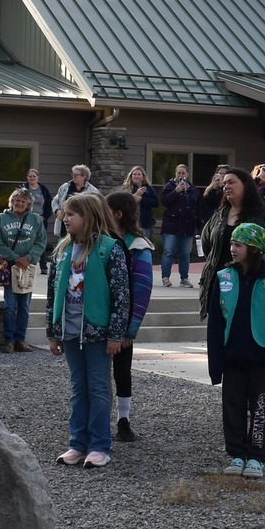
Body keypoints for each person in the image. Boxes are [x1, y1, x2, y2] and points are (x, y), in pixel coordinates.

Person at [48, 191, 130, 469]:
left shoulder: (110, 248)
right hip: (70, 332)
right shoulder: (62, 250)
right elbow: (52, 293)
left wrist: (116, 334)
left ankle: (99, 446)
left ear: (88, 216)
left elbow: (121, 295)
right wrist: (52, 331)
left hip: (97, 334)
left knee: (97, 388)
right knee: (77, 389)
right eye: (65, 213)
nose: (65, 218)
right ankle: (77, 444)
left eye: (71, 214)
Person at [207, 223, 265, 478]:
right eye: (231, 243)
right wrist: (215, 365)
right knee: (233, 408)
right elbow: (215, 325)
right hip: (233, 360)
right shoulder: (223, 278)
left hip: (260, 360)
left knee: (260, 408)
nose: (232, 249)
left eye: (238, 245)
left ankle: (255, 455)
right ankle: (236, 454)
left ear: (254, 249)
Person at [104, 189, 156, 443]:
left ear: (118, 214)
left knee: (122, 372)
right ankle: (99, 419)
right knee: (98, 373)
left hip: (123, 324)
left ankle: (123, 420)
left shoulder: (138, 247)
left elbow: (142, 291)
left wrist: (129, 329)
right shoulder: (101, 241)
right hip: (99, 320)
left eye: (106, 212)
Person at [198, 169, 265, 320]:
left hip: (247, 284)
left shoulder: (262, 214)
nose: (226, 186)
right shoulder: (219, 215)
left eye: (231, 182)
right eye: (224, 184)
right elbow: (207, 245)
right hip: (218, 285)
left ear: (246, 185)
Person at [0, 186, 47, 352]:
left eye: (23, 201)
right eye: (16, 200)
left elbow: (41, 241)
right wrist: (15, 258)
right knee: (10, 305)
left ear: (29, 203)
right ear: (11, 202)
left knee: (24, 306)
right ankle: (9, 340)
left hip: (28, 267)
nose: (19, 203)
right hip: (10, 266)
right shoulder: (1, 218)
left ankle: (20, 340)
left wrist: (28, 258)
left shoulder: (35, 219)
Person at [157, 164, 200, 288]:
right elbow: (164, 202)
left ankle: (184, 278)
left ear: (187, 174)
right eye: (179, 173)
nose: (181, 175)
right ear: (175, 174)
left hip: (188, 226)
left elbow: (197, 208)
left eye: (183, 173)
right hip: (171, 226)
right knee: (168, 252)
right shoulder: (169, 186)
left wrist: (198, 225)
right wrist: (176, 191)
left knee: (185, 254)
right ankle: (165, 277)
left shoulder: (193, 189)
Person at [52, 164, 95, 241]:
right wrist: (57, 211)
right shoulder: (65, 187)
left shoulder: (92, 191)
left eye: (76, 175)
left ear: (84, 176)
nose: (73, 176)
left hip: (83, 228)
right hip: (64, 227)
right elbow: (55, 200)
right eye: (73, 174)